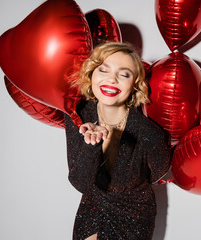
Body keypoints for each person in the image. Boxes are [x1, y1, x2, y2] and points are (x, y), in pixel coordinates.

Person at [64, 42, 171, 240]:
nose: (111, 79)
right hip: (92, 206)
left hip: (134, 213)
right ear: (91, 74)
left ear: (135, 85)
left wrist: (150, 138)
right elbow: (80, 183)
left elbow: (159, 170)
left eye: (124, 74)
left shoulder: (148, 132)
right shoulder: (78, 115)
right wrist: (92, 144)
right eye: (103, 70)